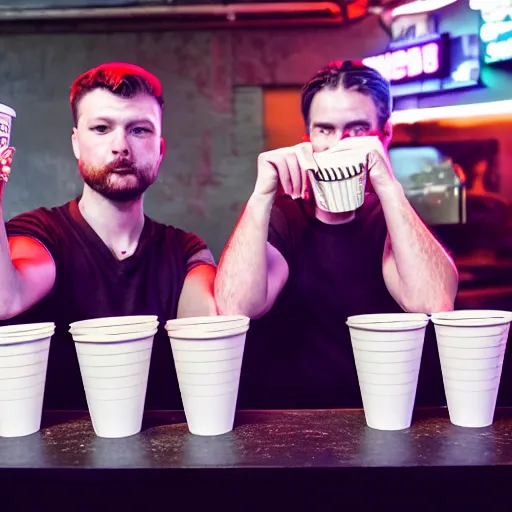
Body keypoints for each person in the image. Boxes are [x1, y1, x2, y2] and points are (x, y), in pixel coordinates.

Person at [214, 60, 458, 409]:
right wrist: (261, 196)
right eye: (324, 130)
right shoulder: (286, 217)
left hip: (388, 413)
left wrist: (388, 187)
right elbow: (237, 307)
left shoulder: (391, 220)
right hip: (294, 423)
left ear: (385, 134)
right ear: (308, 137)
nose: (339, 145)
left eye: (357, 130)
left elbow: (434, 302)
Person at [0, 62, 217, 410]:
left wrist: (264, 196)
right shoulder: (40, 233)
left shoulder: (185, 251)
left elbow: (213, 329)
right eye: (101, 128)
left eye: (140, 130)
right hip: (54, 461)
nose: (121, 146)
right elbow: (5, 298)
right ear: (76, 143)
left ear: (160, 149)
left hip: (163, 458)